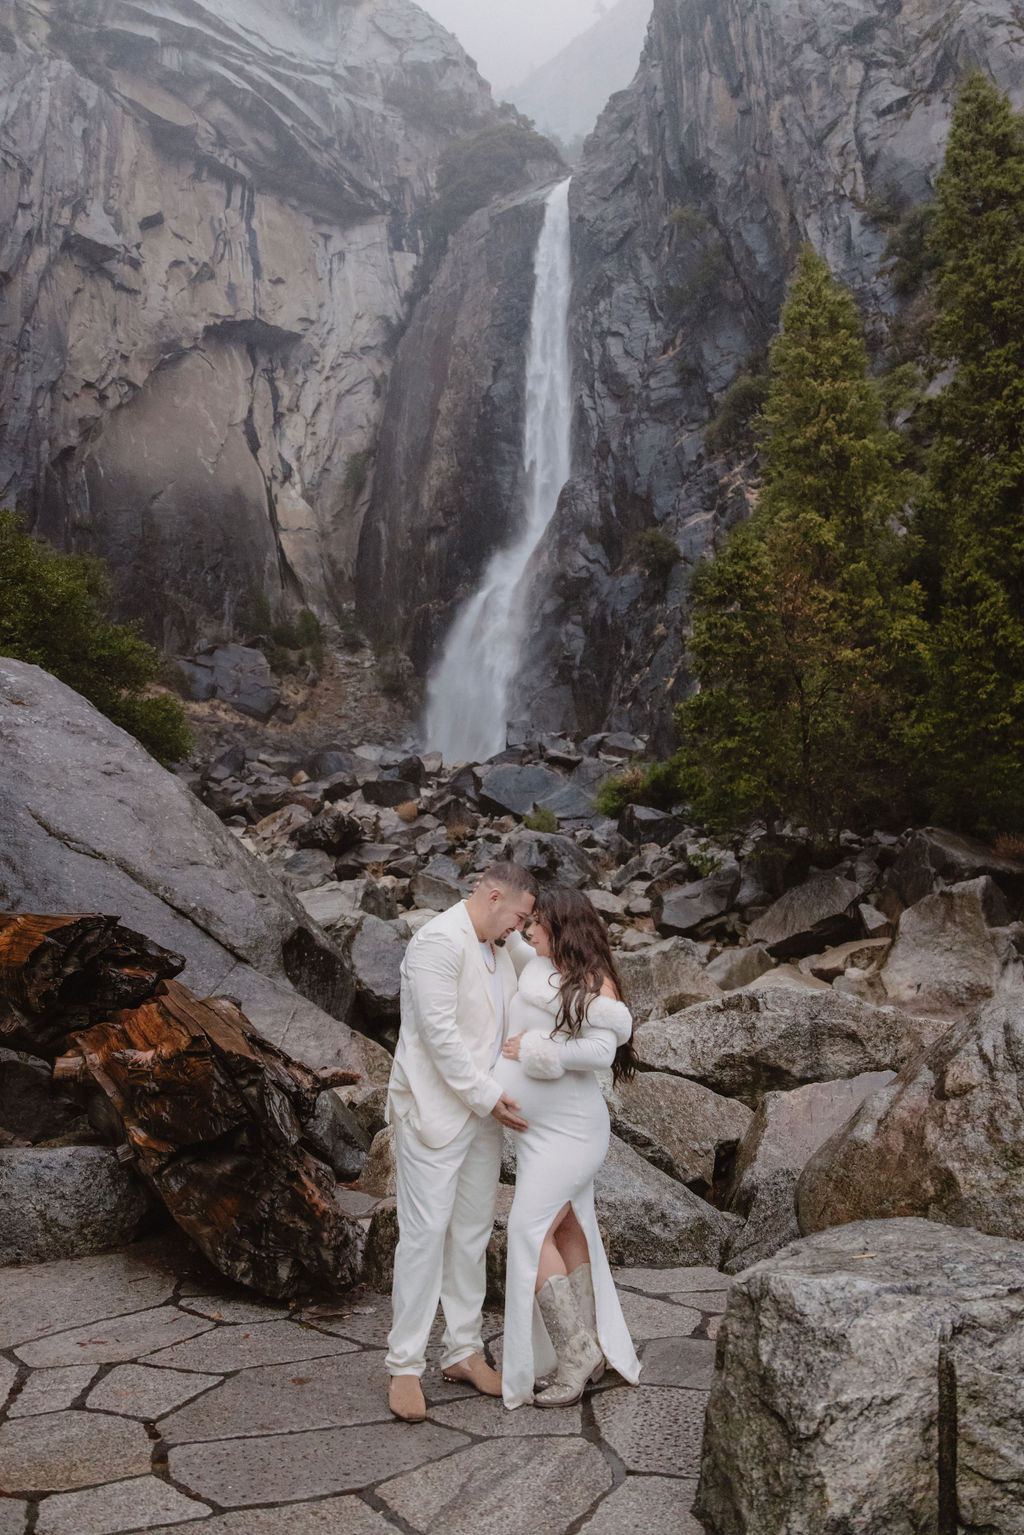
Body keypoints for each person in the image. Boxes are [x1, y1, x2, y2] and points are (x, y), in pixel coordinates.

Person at [385, 860, 538, 1422]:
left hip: (483, 1116)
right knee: (423, 1235)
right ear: (494, 896)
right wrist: (487, 1094)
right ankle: (404, 1366)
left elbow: (549, 971)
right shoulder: (436, 942)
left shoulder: (503, 946)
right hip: (434, 1110)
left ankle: (463, 1351)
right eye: (518, 917)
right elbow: (437, 1033)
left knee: (472, 1232)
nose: (520, 928)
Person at [496, 885, 641, 1409]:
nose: (528, 929)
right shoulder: (536, 965)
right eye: (527, 921)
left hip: (574, 1130)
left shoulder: (594, 982)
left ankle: (576, 1354)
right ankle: (589, 1350)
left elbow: (602, 1051)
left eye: (537, 922)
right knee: (567, 1225)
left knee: (527, 1232)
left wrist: (536, 1049)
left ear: (561, 926)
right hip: (539, 1134)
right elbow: (492, 927)